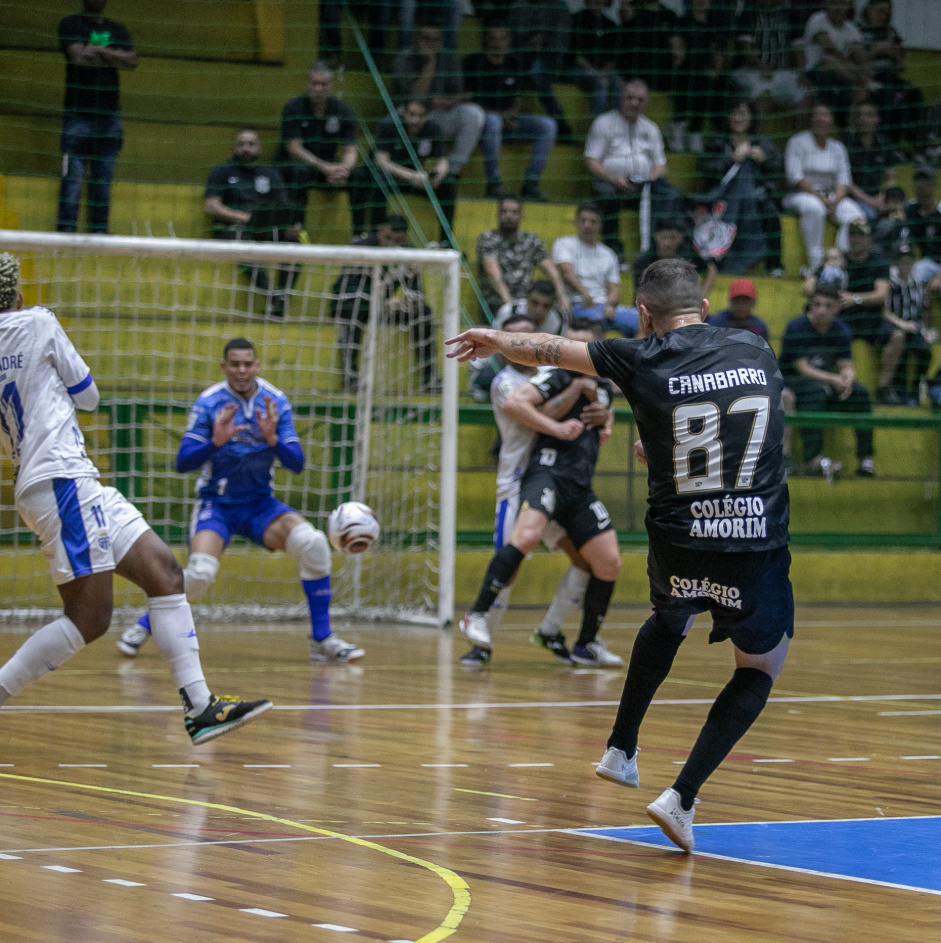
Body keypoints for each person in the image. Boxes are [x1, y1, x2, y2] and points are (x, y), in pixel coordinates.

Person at [446, 257, 794, 854]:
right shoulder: (754, 346)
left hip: (677, 541)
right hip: (751, 543)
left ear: (642, 316)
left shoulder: (641, 356)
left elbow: (551, 348)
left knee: (671, 616)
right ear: (705, 308)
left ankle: (621, 747)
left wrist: (495, 339)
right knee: (759, 668)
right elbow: (748, 425)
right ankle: (680, 797)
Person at [0, 254, 272, 743]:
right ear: (17, 296)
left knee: (165, 573)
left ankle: (200, 706)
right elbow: (88, 396)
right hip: (61, 480)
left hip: (70, 482)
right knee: (89, 619)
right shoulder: (37, 322)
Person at [116, 337, 366, 663]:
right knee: (201, 572)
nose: (242, 370)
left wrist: (272, 438)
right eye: (235, 364)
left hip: (261, 504)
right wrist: (215, 442)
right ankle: (145, 624)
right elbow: (183, 462)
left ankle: (322, 638)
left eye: (248, 363)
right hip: (216, 504)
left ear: (257, 366)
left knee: (314, 543)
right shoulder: (209, 403)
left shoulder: (275, 401)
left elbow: (296, 464)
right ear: (224, 367)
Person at [458, 319, 623, 668]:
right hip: (521, 479)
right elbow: (526, 408)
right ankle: (480, 636)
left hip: (565, 483)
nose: (525, 341)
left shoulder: (568, 376)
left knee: (591, 560)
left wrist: (604, 414)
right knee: (515, 554)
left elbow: (599, 417)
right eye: (518, 337)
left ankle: (555, 632)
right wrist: (568, 417)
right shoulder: (514, 381)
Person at [329, 216, 440, 394]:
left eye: (398, 241)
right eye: (388, 238)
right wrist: (381, 301)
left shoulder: (408, 253)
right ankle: (350, 376)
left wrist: (408, 302)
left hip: (384, 308)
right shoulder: (361, 248)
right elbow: (348, 290)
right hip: (352, 304)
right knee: (353, 310)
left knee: (424, 312)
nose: (392, 245)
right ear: (380, 231)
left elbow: (416, 291)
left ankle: (430, 378)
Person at [56, 0, 138, 234]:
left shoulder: (117, 28)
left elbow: (132, 61)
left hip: (109, 114)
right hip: (77, 113)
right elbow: (79, 59)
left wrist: (98, 51)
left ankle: (99, 231)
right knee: (73, 178)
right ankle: (66, 232)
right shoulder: (70, 24)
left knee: (103, 178)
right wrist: (113, 54)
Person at [780, 282, 876, 478]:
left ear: (836, 308)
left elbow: (846, 364)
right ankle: (812, 460)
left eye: (827, 306)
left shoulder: (841, 330)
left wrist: (847, 378)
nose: (821, 310)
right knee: (816, 391)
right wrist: (833, 379)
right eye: (816, 304)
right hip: (793, 381)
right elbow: (802, 367)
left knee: (860, 393)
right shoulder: (796, 326)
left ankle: (865, 459)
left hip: (824, 383)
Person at [584, 79, 686, 263]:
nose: (634, 103)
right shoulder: (604, 123)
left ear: (646, 103)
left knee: (671, 194)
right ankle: (616, 251)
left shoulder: (651, 128)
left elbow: (661, 165)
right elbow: (592, 161)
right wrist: (613, 178)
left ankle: (659, 249)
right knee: (607, 195)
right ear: (621, 99)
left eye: (640, 100)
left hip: (643, 185)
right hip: (612, 183)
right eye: (630, 98)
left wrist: (652, 177)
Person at [204, 127, 298, 318]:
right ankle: (272, 295)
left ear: (259, 148)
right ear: (233, 148)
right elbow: (211, 206)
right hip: (233, 227)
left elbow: (283, 207)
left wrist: (290, 226)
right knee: (243, 244)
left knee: (297, 245)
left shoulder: (270, 174)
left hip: (265, 227)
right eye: (241, 144)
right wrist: (242, 217)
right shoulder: (222, 171)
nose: (246, 148)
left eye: (251, 144)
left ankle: (281, 295)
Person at [463, 25, 557, 202]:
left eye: (502, 39)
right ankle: (493, 183)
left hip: (510, 121)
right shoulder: (473, 62)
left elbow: (519, 98)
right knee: (493, 122)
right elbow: (467, 102)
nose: (498, 44)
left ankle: (531, 183)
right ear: (486, 40)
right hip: (483, 123)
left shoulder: (515, 63)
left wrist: (511, 114)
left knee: (547, 125)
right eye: (493, 39)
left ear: (509, 41)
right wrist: (500, 116)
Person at [275, 62, 369, 236]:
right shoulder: (294, 107)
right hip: (296, 165)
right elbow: (294, 148)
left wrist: (344, 169)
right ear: (307, 84)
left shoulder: (342, 110)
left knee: (360, 177)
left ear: (331, 86)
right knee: (300, 172)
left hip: (329, 169)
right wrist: (323, 167)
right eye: (314, 83)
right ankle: (297, 228)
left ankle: (358, 235)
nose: (318, 88)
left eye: (323, 84)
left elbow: (350, 149)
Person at [699, 99, 785, 276]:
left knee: (770, 211)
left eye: (744, 113)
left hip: (756, 198)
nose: (739, 118)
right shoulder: (717, 141)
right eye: (735, 113)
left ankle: (774, 265)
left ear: (752, 118)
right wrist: (732, 158)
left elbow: (779, 169)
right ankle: (717, 263)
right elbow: (706, 170)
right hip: (722, 197)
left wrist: (764, 159)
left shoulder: (761, 142)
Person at [392, 23, 486, 181]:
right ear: (416, 39)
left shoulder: (449, 58)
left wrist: (443, 102)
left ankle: (452, 172)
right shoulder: (404, 58)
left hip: (440, 116)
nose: (431, 43)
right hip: (408, 120)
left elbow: (463, 95)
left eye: (436, 39)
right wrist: (430, 64)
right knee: (401, 113)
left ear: (442, 41)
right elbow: (414, 99)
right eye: (426, 39)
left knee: (473, 113)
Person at [782, 103, 866, 273]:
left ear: (831, 120)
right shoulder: (798, 141)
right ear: (811, 119)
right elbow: (794, 176)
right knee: (814, 208)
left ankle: (838, 264)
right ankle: (816, 267)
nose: (821, 119)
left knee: (855, 215)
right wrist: (821, 197)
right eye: (817, 115)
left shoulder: (838, 147)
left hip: (832, 197)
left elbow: (844, 179)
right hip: (800, 195)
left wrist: (835, 200)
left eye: (825, 115)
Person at [367, 98, 457, 244]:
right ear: (404, 112)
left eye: (420, 116)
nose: (415, 120)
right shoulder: (390, 125)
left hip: (420, 181)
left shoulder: (432, 128)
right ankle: (374, 236)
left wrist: (436, 177)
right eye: (411, 114)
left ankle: (445, 241)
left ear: (427, 115)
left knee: (448, 183)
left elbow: (443, 161)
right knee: (379, 180)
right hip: (395, 178)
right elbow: (381, 161)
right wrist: (412, 176)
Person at [469, 281, 568, 402]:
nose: (539, 309)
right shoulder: (509, 311)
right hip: (500, 365)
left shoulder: (558, 320)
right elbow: (495, 344)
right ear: (527, 298)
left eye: (546, 306)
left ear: (553, 305)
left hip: (536, 371)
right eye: (535, 303)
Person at [551, 202, 639, 337]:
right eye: (583, 220)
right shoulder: (564, 243)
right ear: (576, 222)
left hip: (604, 306)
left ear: (599, 224)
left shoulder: (608, 253)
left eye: (593, 221)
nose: (587, 225)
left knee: (643, 320)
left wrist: (610, 305)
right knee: (596, 322)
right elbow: (566, 273)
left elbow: (614, 288)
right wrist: (585, 295)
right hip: (577, 305)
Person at [476, 196, 570, 321]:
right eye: (504, 211)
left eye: (514, 212)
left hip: (528, 302)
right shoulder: (487, 238)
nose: (509, 216)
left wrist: (562, 297)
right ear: (497, 214)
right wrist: (508, 303)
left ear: (521, 215)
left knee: (549, 310)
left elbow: (549, 267)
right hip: (496, 302)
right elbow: (491, 269)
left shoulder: (531, 240)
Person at [877, 244, 937, 405]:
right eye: (901, 262)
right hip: (896, 326)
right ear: (896, 264)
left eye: (908, 262)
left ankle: (916, 388)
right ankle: (900, 389)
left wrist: (929, 329)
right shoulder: (891, 285)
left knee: (925, 351)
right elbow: (885, 311)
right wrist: (902, 324)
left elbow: (926, 308)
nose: (905, 265)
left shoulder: (918, 284)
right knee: (901, 347)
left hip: (915, 328)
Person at [731, 0, 812, 121]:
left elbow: (799, 51)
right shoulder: (748, 15)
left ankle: (799, 137)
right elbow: (747, 51)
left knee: (806, 92)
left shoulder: (792, 16)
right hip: (751, 71)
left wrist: (802, 74)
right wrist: (762, 66)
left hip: (780, 72)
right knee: (764, 92)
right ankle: (758, 137)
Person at [507, 0, 575, 142]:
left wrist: (543, 42)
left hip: (551, 60)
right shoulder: (519, 5)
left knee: (537, 72)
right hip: (520, 57)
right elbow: (512, 38)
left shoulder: (560, 7)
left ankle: (561, 126)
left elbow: (562, 43)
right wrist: (531, 41)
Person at [802, 0, 868, 127]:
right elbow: (830, 50)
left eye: (843, 3)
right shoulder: (817, 20)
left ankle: (850, 136)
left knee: (860, 93)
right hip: (815, 74)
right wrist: (857, 74)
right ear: (826, 3)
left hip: (843, 77)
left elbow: (862, 58)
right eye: (834, 2)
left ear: (849, 6)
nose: (838, 7)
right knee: (829, 62)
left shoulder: (852, 29)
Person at [843, 101, 904, 222]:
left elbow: (890, 177)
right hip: (854, 199)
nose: (863, 119)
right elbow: (846, 182)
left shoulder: (884, 144)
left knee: (903, 211)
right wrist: (869, 201)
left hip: (880, 199)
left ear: (877, 119)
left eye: (868, 115)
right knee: (870, 215)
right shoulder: (847, 144)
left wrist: (882, 198)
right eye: (860, 115)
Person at [836, 218, 891, 346]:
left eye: (861, 234)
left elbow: (881, 294)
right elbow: (809, 286)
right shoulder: (839, 260)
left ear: (870, 238)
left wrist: (855, 298)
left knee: (897, 335)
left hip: (870, 318)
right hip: (842, 315)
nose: (856, 238)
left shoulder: (879, 262)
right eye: (852, 234)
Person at [633, 218, 717, 299]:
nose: (667, 243)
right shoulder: (644, 262)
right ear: (656, 237)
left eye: (672, 238)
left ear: (680, 238)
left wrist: (701, 298)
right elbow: (640, 295)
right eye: (664, 237)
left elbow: (711, 269)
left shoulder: (687, 256)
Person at [567, 0, 624, 118]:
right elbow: (574, 53)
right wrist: (593, 71)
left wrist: (603, 71)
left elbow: (613, 58)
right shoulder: (577, 19)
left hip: (604, 71)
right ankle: (597, 126)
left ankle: (617, 124)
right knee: (602, 83)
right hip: (579, 70)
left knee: (618, 82)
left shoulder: (610, 25)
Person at [905, 166, 941, 296]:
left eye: (926, 181)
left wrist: (938, 277)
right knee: (915, 272)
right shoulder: (910, 209)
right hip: (926, 263)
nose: (921, 186)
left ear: (934, 184)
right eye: (917, 181)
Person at [705, 278, 770, 342]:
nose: (740, 304)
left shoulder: (760, 327)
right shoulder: (715, 323)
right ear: (730, 302)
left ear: (753, 302)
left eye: (745, 300)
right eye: (737, 300)